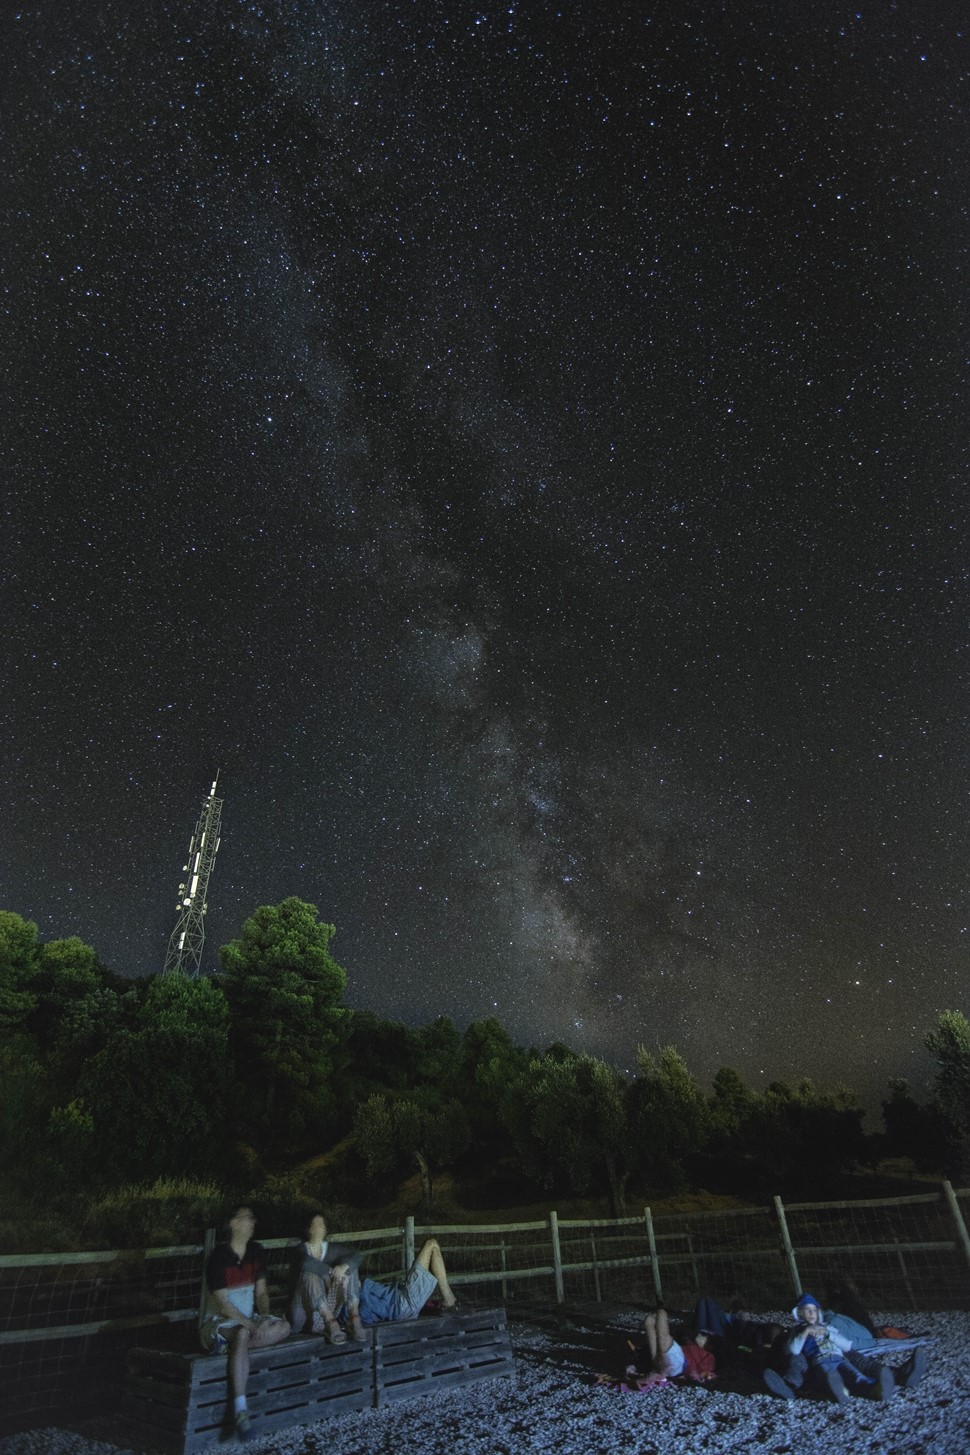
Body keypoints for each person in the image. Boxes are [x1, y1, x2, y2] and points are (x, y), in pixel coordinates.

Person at [199, 1205, 290, 1443]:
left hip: (247, 1321)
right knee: (240, 1334)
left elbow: (261, 1293)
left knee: (284, 1326)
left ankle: (236, 1352)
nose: (252, 1222)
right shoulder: (219, 1256)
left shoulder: (256, 1252)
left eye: (252, 1218)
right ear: (233, 1223)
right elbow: (222, 1304)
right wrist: (251, 1326)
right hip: (218, 1323)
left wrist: (266, 1317)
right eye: (246, 1218)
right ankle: (240, 1411)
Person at [763, 1293, 897, 1403]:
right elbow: (794, 1350)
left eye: (814, 1310)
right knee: (827, 1376)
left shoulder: (827, 1328)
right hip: (819, 1360)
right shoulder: (797, 1331)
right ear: (799, 1313)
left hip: (839, 1358)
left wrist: (828, 1334)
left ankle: (877, 1389)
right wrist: (805, 1332)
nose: (812, 1313)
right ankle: (839, 1391)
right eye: (807, 1310)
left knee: (855, 1374)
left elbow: (847, 1345)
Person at [289, 1212, 366, 1343]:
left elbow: (357, 1255)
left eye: (322, 1225)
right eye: (316, 1224)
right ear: (308, 1229)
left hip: (326, 1312)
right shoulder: (301, 1249)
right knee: (310, 1273)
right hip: (303, 1315)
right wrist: (330, 1272)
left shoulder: (332, 1249)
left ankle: (353, 1317)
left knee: (349, 1268)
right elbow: (305, 1262)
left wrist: (344, 1267)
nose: (320, 1227)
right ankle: (331, 1323)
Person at [356, 1238, 459, 1324]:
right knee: (431, 1244)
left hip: (402, 1297)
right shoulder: (352, 1304)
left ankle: (449, 1300)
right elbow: (364, 1317)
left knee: (431, 1245)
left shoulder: (349, 1292)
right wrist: (359, 1291)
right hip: (403, 1305)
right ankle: (449, 1300)